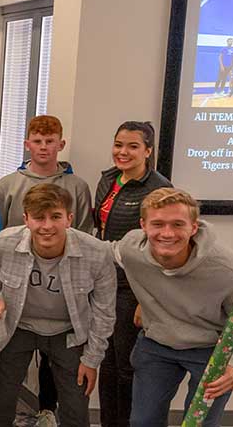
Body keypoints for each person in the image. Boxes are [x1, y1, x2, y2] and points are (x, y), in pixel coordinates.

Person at [0, 184, 116, 426]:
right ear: (26, 219)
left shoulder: (97, 253)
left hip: (68, 331)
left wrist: (92, 359)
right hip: (18, 326)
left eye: (56, 217)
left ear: (69, 219)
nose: (47, 226)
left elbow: (104, 313)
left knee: (75, 407)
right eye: (39, 218)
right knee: (1, 402)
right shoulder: (4, 242)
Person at [0, 115, 93, 422]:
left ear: (60, 144)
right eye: (37, 141)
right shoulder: (9, 185)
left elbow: (86, 237)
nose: (44, 147)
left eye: (50, 141)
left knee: (64, 375)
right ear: (27, 144)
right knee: (6, 380)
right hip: (20, 295)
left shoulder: (76, 186)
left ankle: (47, 411)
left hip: (62, 299)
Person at [115, 188, 233, 426]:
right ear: (143, 225)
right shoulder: (131, 249)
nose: (167, 233)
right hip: (156, 345)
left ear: (194, 227)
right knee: (143, 422)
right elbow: (98, 250)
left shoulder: (227, 270)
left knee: (199, 424)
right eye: (158, 224)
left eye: (178, 224)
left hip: (210, 349)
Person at [93, 121, 171, 427]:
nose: (123, 152)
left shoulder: (159, 190)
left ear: (148, 151)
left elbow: (163, 247)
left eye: (133, 146)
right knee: (107, 362)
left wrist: (146, 299)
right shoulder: (108, 179)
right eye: (118, 145)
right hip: (105, 282)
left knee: (127, 366)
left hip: (133, 288)